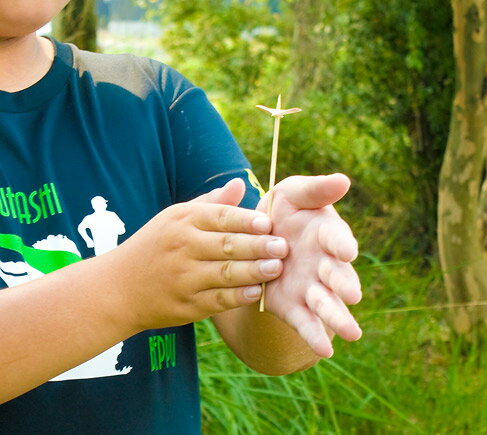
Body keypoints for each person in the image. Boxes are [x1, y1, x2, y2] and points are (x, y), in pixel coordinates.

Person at [0, 1, 362, 433]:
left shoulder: (151, 98)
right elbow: (127, 282)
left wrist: (280, 268)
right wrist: (125, 290)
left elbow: (272, 352)